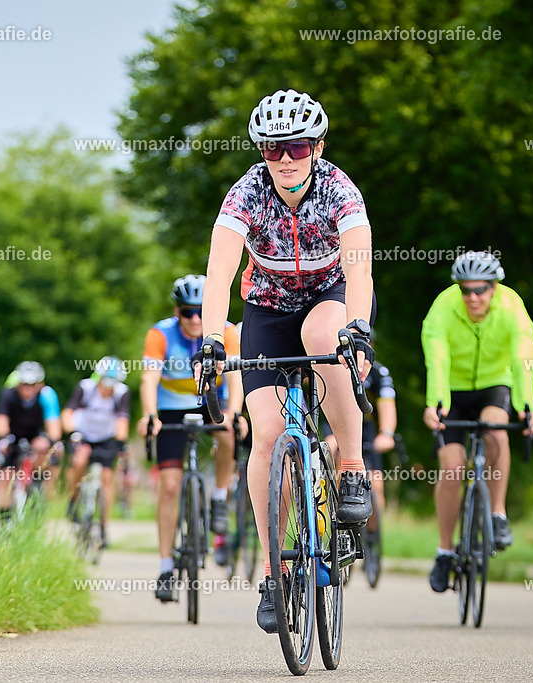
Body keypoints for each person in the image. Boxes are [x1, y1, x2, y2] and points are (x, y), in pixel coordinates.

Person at [195, 89, 376, 633]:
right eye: (273, 149)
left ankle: (350, 466)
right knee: (267, 436)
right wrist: (210, 341)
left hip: (333, 295)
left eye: (297, 146)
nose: (286, 159)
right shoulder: (245, 194)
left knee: (325, 333)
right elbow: (220, 275)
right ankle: (275, 572)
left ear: (317, 146)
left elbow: (361, 270)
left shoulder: (341, 191)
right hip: (267, 308)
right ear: (261, 153)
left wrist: (359, 330)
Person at [422, 251, 533, 593]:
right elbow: (437, 357)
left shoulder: (511, 307)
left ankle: (498, 513)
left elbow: (524, 354)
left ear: (495, 287)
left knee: (496, 432)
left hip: (494, 382)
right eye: (466, 290)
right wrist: (436, 404)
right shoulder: (443, 308)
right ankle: (445, 551)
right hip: (453, 387)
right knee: (452, 468)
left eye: (481, 289)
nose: (473, 297)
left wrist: (528, 406)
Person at [137, 274, 245, 603]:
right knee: (169, 487)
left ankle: (219, 497)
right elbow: (148, 379)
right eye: (187, 312)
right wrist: (150, 415)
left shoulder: (225, 331)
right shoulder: (160, 334)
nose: (195, 319)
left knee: (227, 429)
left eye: (200, 311)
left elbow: (237, 376)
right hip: (170, 407)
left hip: (212, 400)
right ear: (176, 312)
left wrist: (237, 413)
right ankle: (166, 566)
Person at [323, 340, 398, 540]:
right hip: (335, 425)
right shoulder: (332, 365)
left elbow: (387, 404)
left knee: (376, 483)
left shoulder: (378, 373)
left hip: (366, 430)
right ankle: (333, 510)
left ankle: (372, 534)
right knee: (332, 451)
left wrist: (387, 434)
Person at [62, 355, 132, 548]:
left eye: (112, 384)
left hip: (106, 438)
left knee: (107, 478)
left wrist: (120, 444)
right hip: (82, 433)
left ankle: (103, 526)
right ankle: (73, 498)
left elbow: (122, 421)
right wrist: (73, 433)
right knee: (79, 461)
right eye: (105, 383)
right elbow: (67, 414)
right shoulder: (85, 388)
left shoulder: (122, 393)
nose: (108, 388)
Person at [0, 361, 63, 520]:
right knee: (6, 475)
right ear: (18, 383)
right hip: (13, 436)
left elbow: (53, 423)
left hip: (35, 436)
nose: (28, 388)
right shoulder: (8, 394)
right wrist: (3, 439)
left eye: (32, 384)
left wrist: (54, 442)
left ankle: (37, 488)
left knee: (42, 447)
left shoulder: (47, 395)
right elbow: (1, 420)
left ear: (39, 384)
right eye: (24, 384)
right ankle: (5, 519)